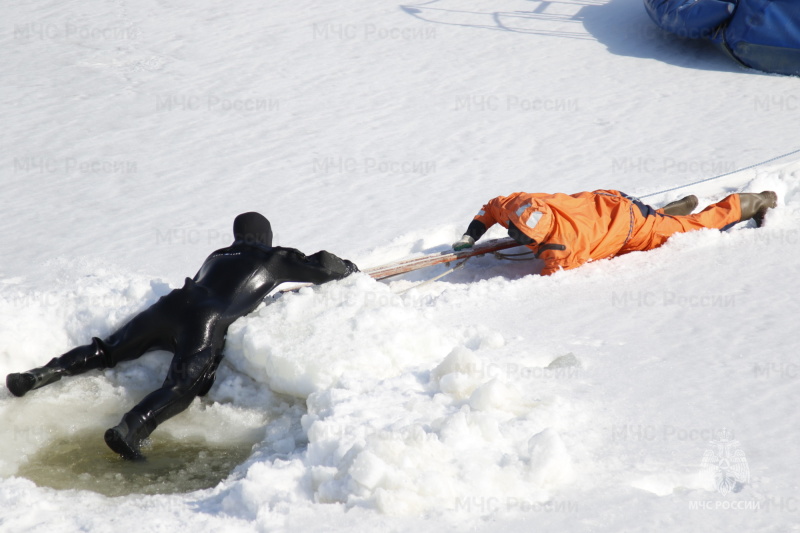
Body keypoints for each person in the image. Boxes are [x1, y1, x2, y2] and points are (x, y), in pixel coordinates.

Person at [5, 212, 359, 460]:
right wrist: (348, 269)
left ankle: (38, 375)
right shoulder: (274, 256)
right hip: (205, 320)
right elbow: (323, 266)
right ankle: (129, 430)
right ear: (266, 236)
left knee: (107, 350)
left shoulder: (217, 255)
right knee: (181, 386)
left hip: (172, 305)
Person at [452, 190, 778, 275]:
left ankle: (756, 201)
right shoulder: (523, 204)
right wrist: (471, 235)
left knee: (695, 226)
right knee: (657, 222)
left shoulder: (563, 248)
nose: (515, 237)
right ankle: (674, 208)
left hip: (629, 225)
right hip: (608, 203)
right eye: (515, 231)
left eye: (524, 238)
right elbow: (493, 207)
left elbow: (554, 276)